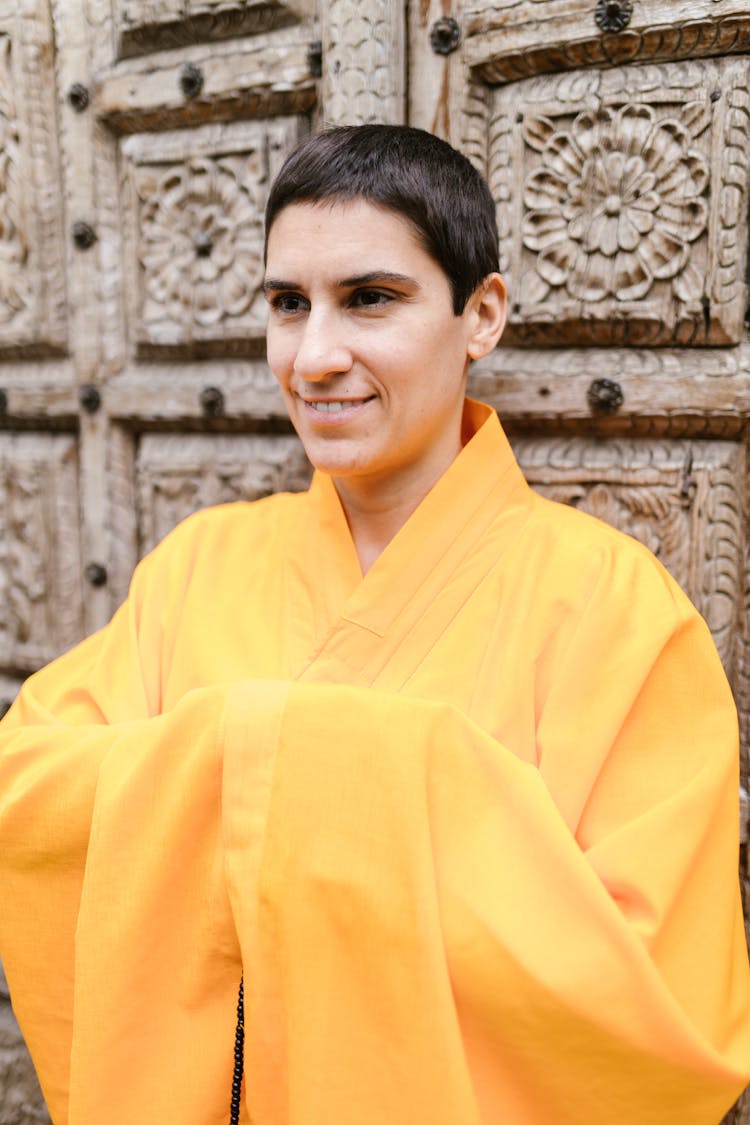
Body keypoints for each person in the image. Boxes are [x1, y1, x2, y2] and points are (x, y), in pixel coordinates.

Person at [1, 124, 749, 1125]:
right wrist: (264, 757)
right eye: (286, 306)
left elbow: (663, 1010)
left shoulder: (616, 611)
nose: (314, 357)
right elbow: (31, 796)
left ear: (480, 315)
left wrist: (326, 770)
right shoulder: (201, 564)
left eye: (370, 299)